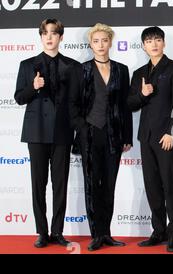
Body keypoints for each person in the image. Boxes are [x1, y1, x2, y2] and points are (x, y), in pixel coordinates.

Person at [14, 18, 82, 248]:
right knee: (38, 185)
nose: (49, 37)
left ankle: (58, 231)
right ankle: (42, 233)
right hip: (37, 133)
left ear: (61, 37)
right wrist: (33, 88)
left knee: (60, 185)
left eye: (54, 33)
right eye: (45, 33)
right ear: (41, 36)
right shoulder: (27, 64)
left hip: (62, 132)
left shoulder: (73, 66)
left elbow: (77, 102)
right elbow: (19, 98)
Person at [69, 23, 133, 251]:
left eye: (104, 40)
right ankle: (96, 234)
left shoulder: (121, 69)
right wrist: (83, 129)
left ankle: (107, 233)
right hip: (90, 134)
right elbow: (73, 105)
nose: (100, 45)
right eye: (96, 41)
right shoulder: (81, 70)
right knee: (92, 185)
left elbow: (125, 107)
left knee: (109, 185)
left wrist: (127, 136)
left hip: (114, 135)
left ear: (110, 42)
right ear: (90, 44)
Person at [127, 26, 173, 252]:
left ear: (163, 43)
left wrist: (172, 131)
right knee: (152, 186)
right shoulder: (139, 73)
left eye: (157, 40)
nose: (153, 44)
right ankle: (158, 230)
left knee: (169, 185)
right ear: (143, 45)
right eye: (149, 40)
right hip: (146, 136)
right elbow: (130, 104)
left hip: (166, 137)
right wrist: (142, 94)